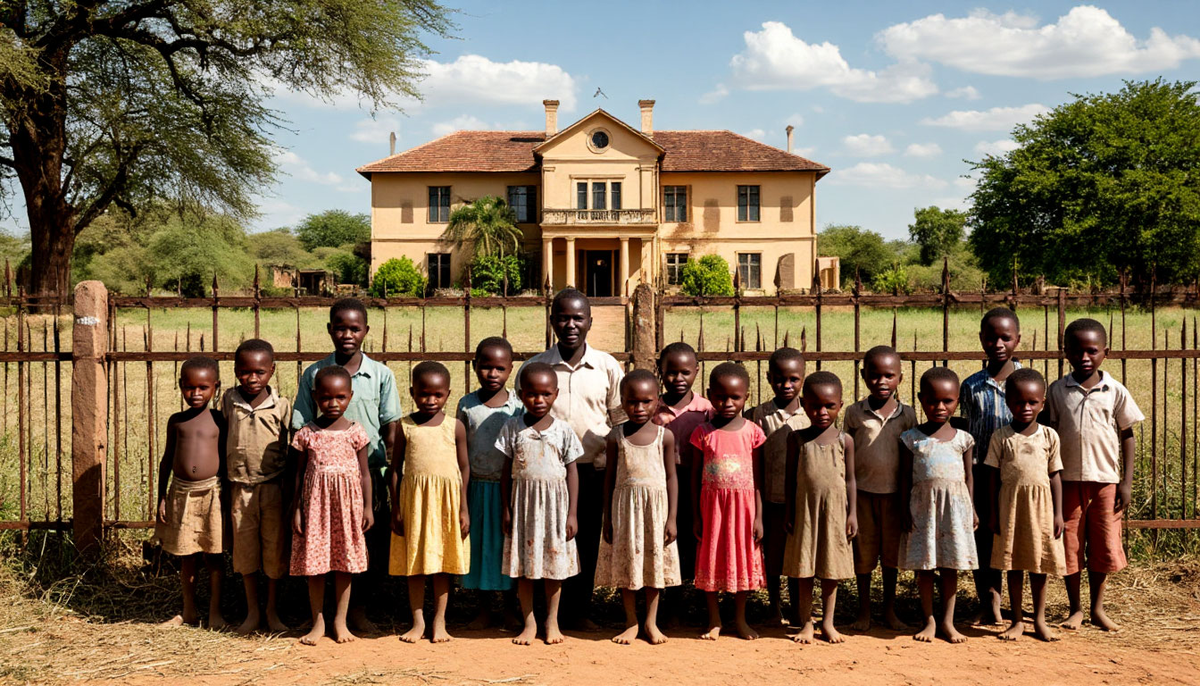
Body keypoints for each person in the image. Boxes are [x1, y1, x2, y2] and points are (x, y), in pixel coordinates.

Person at [292, 298, 402, 633]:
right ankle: (318, 617)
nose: (347, 334)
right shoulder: (314, 373)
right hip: (321, 485)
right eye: (340, 328)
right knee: (321, 550)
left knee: (362, 548)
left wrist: (393, 474)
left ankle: (357, 611)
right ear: (330, 330)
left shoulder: (381, 375)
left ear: (366, 331)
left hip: (368, 477)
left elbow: (391, 427)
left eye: (354, 328)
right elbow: (301, 427)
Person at [523, 288, 624, 631]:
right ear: (552, 321)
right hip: (544, 474)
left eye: (578, 318)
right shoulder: (535, 367)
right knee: (543, 539)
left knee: (583, 541)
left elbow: (620, 418)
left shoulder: (607, 367)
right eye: (563, 317)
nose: (570, 324)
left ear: (590, 322)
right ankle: (540, 613)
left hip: (591, 471)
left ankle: (578, 611)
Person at [1045, 318, 1143, 632]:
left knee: (1103, 546)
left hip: (1105, 483)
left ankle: (1097, 609)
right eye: (1077, 350)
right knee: (1070, 546)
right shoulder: (1058, 390)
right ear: (1065, 352)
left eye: (1092, 350)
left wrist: (1125, 482)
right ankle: (1075, 609)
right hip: (1068, 481)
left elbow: (1127, 435)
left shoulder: (1114, 390)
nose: (1084, 357)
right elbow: (1049, 434)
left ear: (1105, 352)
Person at [498, 362, 584, 646]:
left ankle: (552, 621)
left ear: (555, 394)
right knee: (525, 567)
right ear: (521, 395)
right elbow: (506, 472)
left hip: (555, 510)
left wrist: (572, 513)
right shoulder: (512, 428)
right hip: (523, 509)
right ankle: (529, 622)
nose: (539, 400)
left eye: (546, 394)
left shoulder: (563, 431)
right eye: (532, 394)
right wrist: (507, 510)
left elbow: (572, 471)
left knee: (554, 567)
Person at [596, 370, 681, 645]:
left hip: (656, 513)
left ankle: (651, 622)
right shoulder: (615, 436)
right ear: (621, 401)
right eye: (632, 402)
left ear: (657, 401)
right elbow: (609, 479)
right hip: (625, 513)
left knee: (653, 567)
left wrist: (672, 519)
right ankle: (630, 621)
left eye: (646, 401)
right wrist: (608, 518)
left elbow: (671, 477)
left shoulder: (664, 436)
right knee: (628, 566)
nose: (639, 408)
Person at [290, 366, 372, 645]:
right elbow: (299, 474)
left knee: (344, 564)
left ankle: (340, 621)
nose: (333, 403)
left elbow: (365, 473)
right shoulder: (306, 434)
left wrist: (368, 508)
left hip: (347, 508)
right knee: (315, 566)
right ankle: (317, 622)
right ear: (314, 396)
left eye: (340, 397)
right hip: (315, 508)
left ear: (350, 396)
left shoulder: (356, 432)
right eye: (325, 397)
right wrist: (297, 508)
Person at [390, 361, 471, 644]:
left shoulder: (455, 427)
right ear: (412, 392)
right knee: (415, 563)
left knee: (442, 563)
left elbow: (464, 469)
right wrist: (396, 509)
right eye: (424, 393)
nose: (430, 400)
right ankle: (417, 621)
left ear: (448, 394)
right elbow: (395, 469)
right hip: (414, 505)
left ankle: (440, 620)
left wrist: (463, 508)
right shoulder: (405, 427)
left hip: (445, 505)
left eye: (437, 395)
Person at [900, 367, 978, 644]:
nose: (940, 407)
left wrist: (972, 509)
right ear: (921, 399)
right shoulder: (911, 439)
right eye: (932, 401)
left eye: (948, 401)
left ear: (957, 400)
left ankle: (947, 621)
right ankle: (929, 620)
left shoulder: (963, 439)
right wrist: (904, 510)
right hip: (922, 511)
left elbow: (969, 478)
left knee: (950, 565)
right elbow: (904, 478)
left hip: (955, 510)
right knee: (925, 566)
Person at [987, 368, 1066, 642]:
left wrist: (1058, 513)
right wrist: (994, 513)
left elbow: (1055, 476)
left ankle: (1040, 619)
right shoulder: (1001, 437)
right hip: (1011, 510)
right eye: (1019, 402)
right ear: (1008, 403)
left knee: (1038, 564)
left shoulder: (1049, 436)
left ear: (1043, 403)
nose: (1026, 408)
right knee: (1014, 565)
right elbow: (991, 479)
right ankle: (1018, 620)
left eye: (1033, 402)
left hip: (1042, 511)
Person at [843, 345, 916, 632]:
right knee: (863, 556)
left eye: (889, 376)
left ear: (900, 378)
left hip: (894, 497)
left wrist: (908, 498)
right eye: (874, 376)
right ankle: (864, 611)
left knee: (890, 558)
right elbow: (846, 455)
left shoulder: (907, 415)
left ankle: (889, 610)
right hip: (862, 495)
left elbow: (912, 458)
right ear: (863, 376)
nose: (881, 382)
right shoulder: (854, 413)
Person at [691, 362, 766, 641]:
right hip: (712, 511)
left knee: (742, 560)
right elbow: (695, 479)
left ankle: (740, 620)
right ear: (710, 395)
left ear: (747, 396)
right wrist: (697, 516)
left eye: (735, 397)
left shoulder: (754, 433)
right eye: (721, 397)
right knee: (711, 560)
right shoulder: (702, 433)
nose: (728, 403)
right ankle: (714, 619)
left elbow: (758, 479)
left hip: (744, 511)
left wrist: (758, 516)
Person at [221, 339, 291, 635]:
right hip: (239, 488)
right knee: (245, 552)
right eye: (245, 372)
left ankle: (272, 611)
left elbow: (290, 446)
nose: (252, 378)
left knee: (275, 552)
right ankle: (252, 612)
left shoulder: (281, 405)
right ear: (236, 371)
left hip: (273, 488)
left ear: (272, 371)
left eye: (260, 372)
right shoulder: (228, 401)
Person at [154, 356, 228, 629]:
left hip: (212, 493)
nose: (195, 394)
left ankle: (215, 613)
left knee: (215, 556)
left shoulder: (220, 420)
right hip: (181, 493)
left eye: (203, 388)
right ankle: (188, 610)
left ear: (215, 387)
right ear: (180, 385)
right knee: (187, 556)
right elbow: (166, 459)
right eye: (189, 387)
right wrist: (161, 496)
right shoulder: (177, 421)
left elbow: (227, 459)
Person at [959, 307, 1022, 625]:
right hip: (981, 472)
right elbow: (967, 429)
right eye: (991, 337)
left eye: (1005, 337)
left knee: (1013, 539)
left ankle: (1018, 606)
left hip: (1015, 476)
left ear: (1018, 340)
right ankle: (989, 602)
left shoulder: (1028, 383)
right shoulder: (971, 386)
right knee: (982, 537)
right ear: (981, 340)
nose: (998, 343)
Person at [783, 371, 856, 644]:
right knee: (805, 569)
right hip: (805, 513)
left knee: (830, 569)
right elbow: (790, 480)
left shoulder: (844, 441)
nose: (822, 412)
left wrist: (852, 514)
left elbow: (850, 480)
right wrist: (789, 511)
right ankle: (805, 623)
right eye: (815, 406)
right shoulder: (797, 439)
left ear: (840, 404)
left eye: (830, 406)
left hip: (835, 514)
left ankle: (828, 622)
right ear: (804, 404)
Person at [457, 337, 523, 630]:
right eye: (486, 367)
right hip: (477, 488)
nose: (492, 374)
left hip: (509, 489)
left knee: (508, 550)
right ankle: (483, 610)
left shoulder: (517, 407)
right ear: (474, 367)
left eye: (499, 368)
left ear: (511, 369)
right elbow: (460, 451)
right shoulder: (467, 405)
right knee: (482, 550)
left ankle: (510, 610)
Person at [746, 347, 809, 626]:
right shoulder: (759, 414)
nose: (786, 385)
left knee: (798, 558)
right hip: (770, 500)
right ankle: (774, 607)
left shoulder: (812, 414)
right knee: (772, 559)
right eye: (780, 379)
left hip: (800, 502)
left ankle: (799, 610)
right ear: (769, 378)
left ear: (803, 379)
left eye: (794, 379)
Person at [651, 342, 712, 625]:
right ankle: (670, 603)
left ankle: (700, 602)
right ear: (660, 371)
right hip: (661, 484)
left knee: (695, 541)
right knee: (667, 541)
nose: (678, 379)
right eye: (671, 372)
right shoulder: (653, 407)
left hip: (697, 483)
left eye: (685, 372)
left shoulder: (707, 410)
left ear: (697, 371)